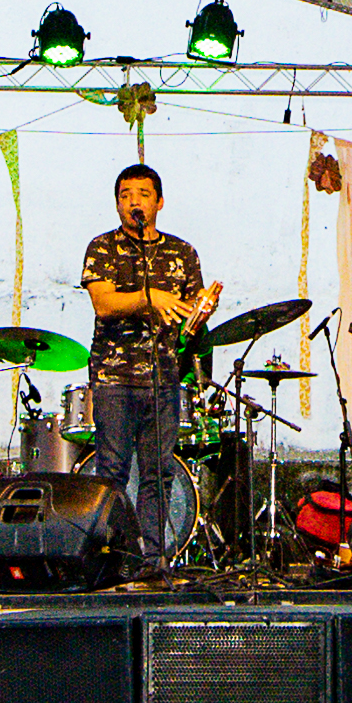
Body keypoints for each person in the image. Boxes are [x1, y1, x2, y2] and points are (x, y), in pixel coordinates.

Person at [81, 163, 215, 572]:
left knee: (159, 475)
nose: (133, 201)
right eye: (125, 194)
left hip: (164, 376)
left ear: (158, 201)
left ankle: (154, 561)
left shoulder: (182, 251)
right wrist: (149, 296)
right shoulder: (102, 247)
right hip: (115, 378)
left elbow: (191, 315)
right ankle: (113, 560)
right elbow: (103, 303)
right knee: (114, 473)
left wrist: (200, 313)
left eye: (142, 193)